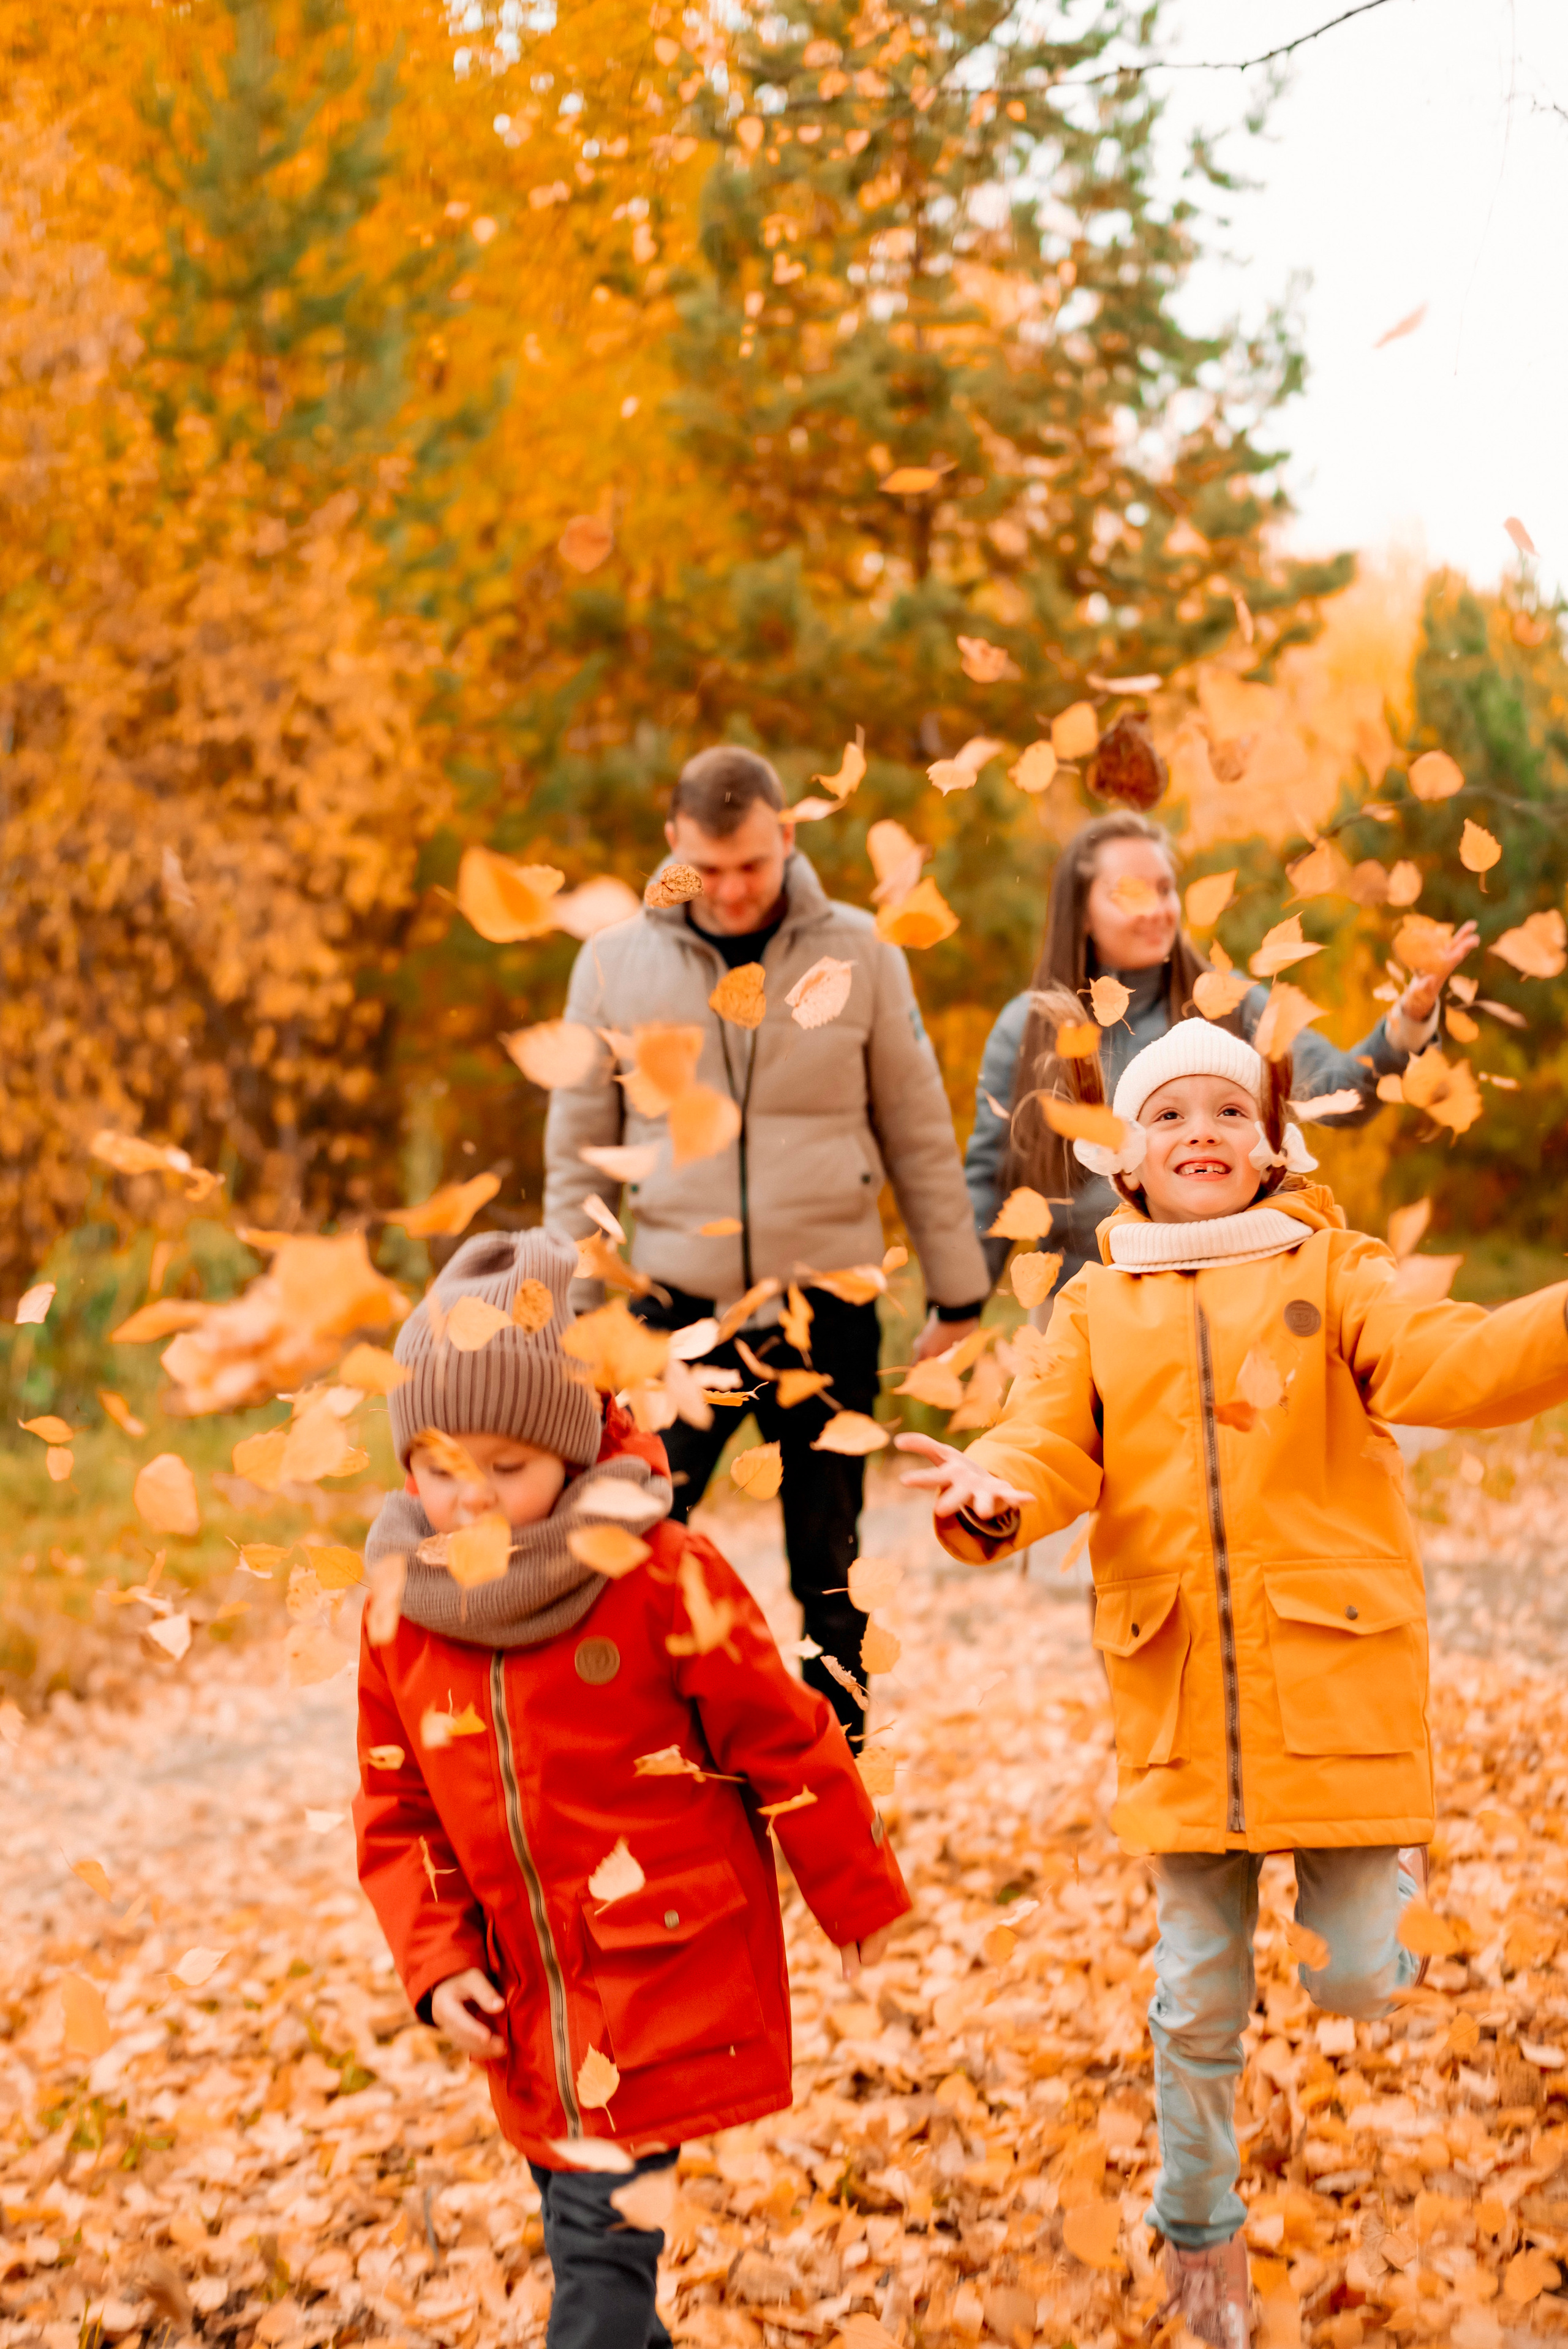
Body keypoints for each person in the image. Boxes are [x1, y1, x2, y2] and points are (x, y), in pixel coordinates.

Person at [897, 1009, 1568, 2349]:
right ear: (1124, 1163)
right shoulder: (1093, 1305)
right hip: (1180, 1698)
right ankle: (1197, 2235)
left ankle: (1383, 1888)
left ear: (1269, 1149)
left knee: (1353, 1983)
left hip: (1333, 1683)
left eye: (1223, 1114)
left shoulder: (1334, 1272)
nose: (1194, 1130)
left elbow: (1452, 1361)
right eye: (1165, 1115)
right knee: (1194, 1994)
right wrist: (987, 1497)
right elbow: (1042, 1449)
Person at [354, 1230, 910, 2349]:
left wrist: (853, 1889)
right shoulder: (403, 1606)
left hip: (657, 1967)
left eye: (506, 1467)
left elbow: (785, 1735)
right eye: (440, 1468)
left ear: (568, 1447)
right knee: (584, 2246)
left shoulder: (657, 1572)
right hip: (522, 1993)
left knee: (599, 2270)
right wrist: (437, 1957)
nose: (471, 1499)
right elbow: (396, 1805)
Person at [543, 745, 990, 1741]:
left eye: (752, 863)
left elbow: (917, 1130)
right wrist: (578, 1318)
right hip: (668, 1311)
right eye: (709, 867)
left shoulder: (866, 954)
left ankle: (832, 1782)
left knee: (829, 1570)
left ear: (788, 836)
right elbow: (576, 1151)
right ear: (674, 846)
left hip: (825, 1303)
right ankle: (657, 1772)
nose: (734, 888)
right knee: (636, 1550)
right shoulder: (612, 962)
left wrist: (958, 1299)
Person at [965, 808, 1480, 1295]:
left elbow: (1337, 1089)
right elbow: (992, 1182)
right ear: (1081, 912)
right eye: (1131, 892)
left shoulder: (1225, 1002)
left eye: (1166, 889)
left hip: (1231, 1300)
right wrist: (957, 1306)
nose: (1156, 909)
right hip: (1082, 1302)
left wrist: (1409, 1020)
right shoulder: (1030, 1027)